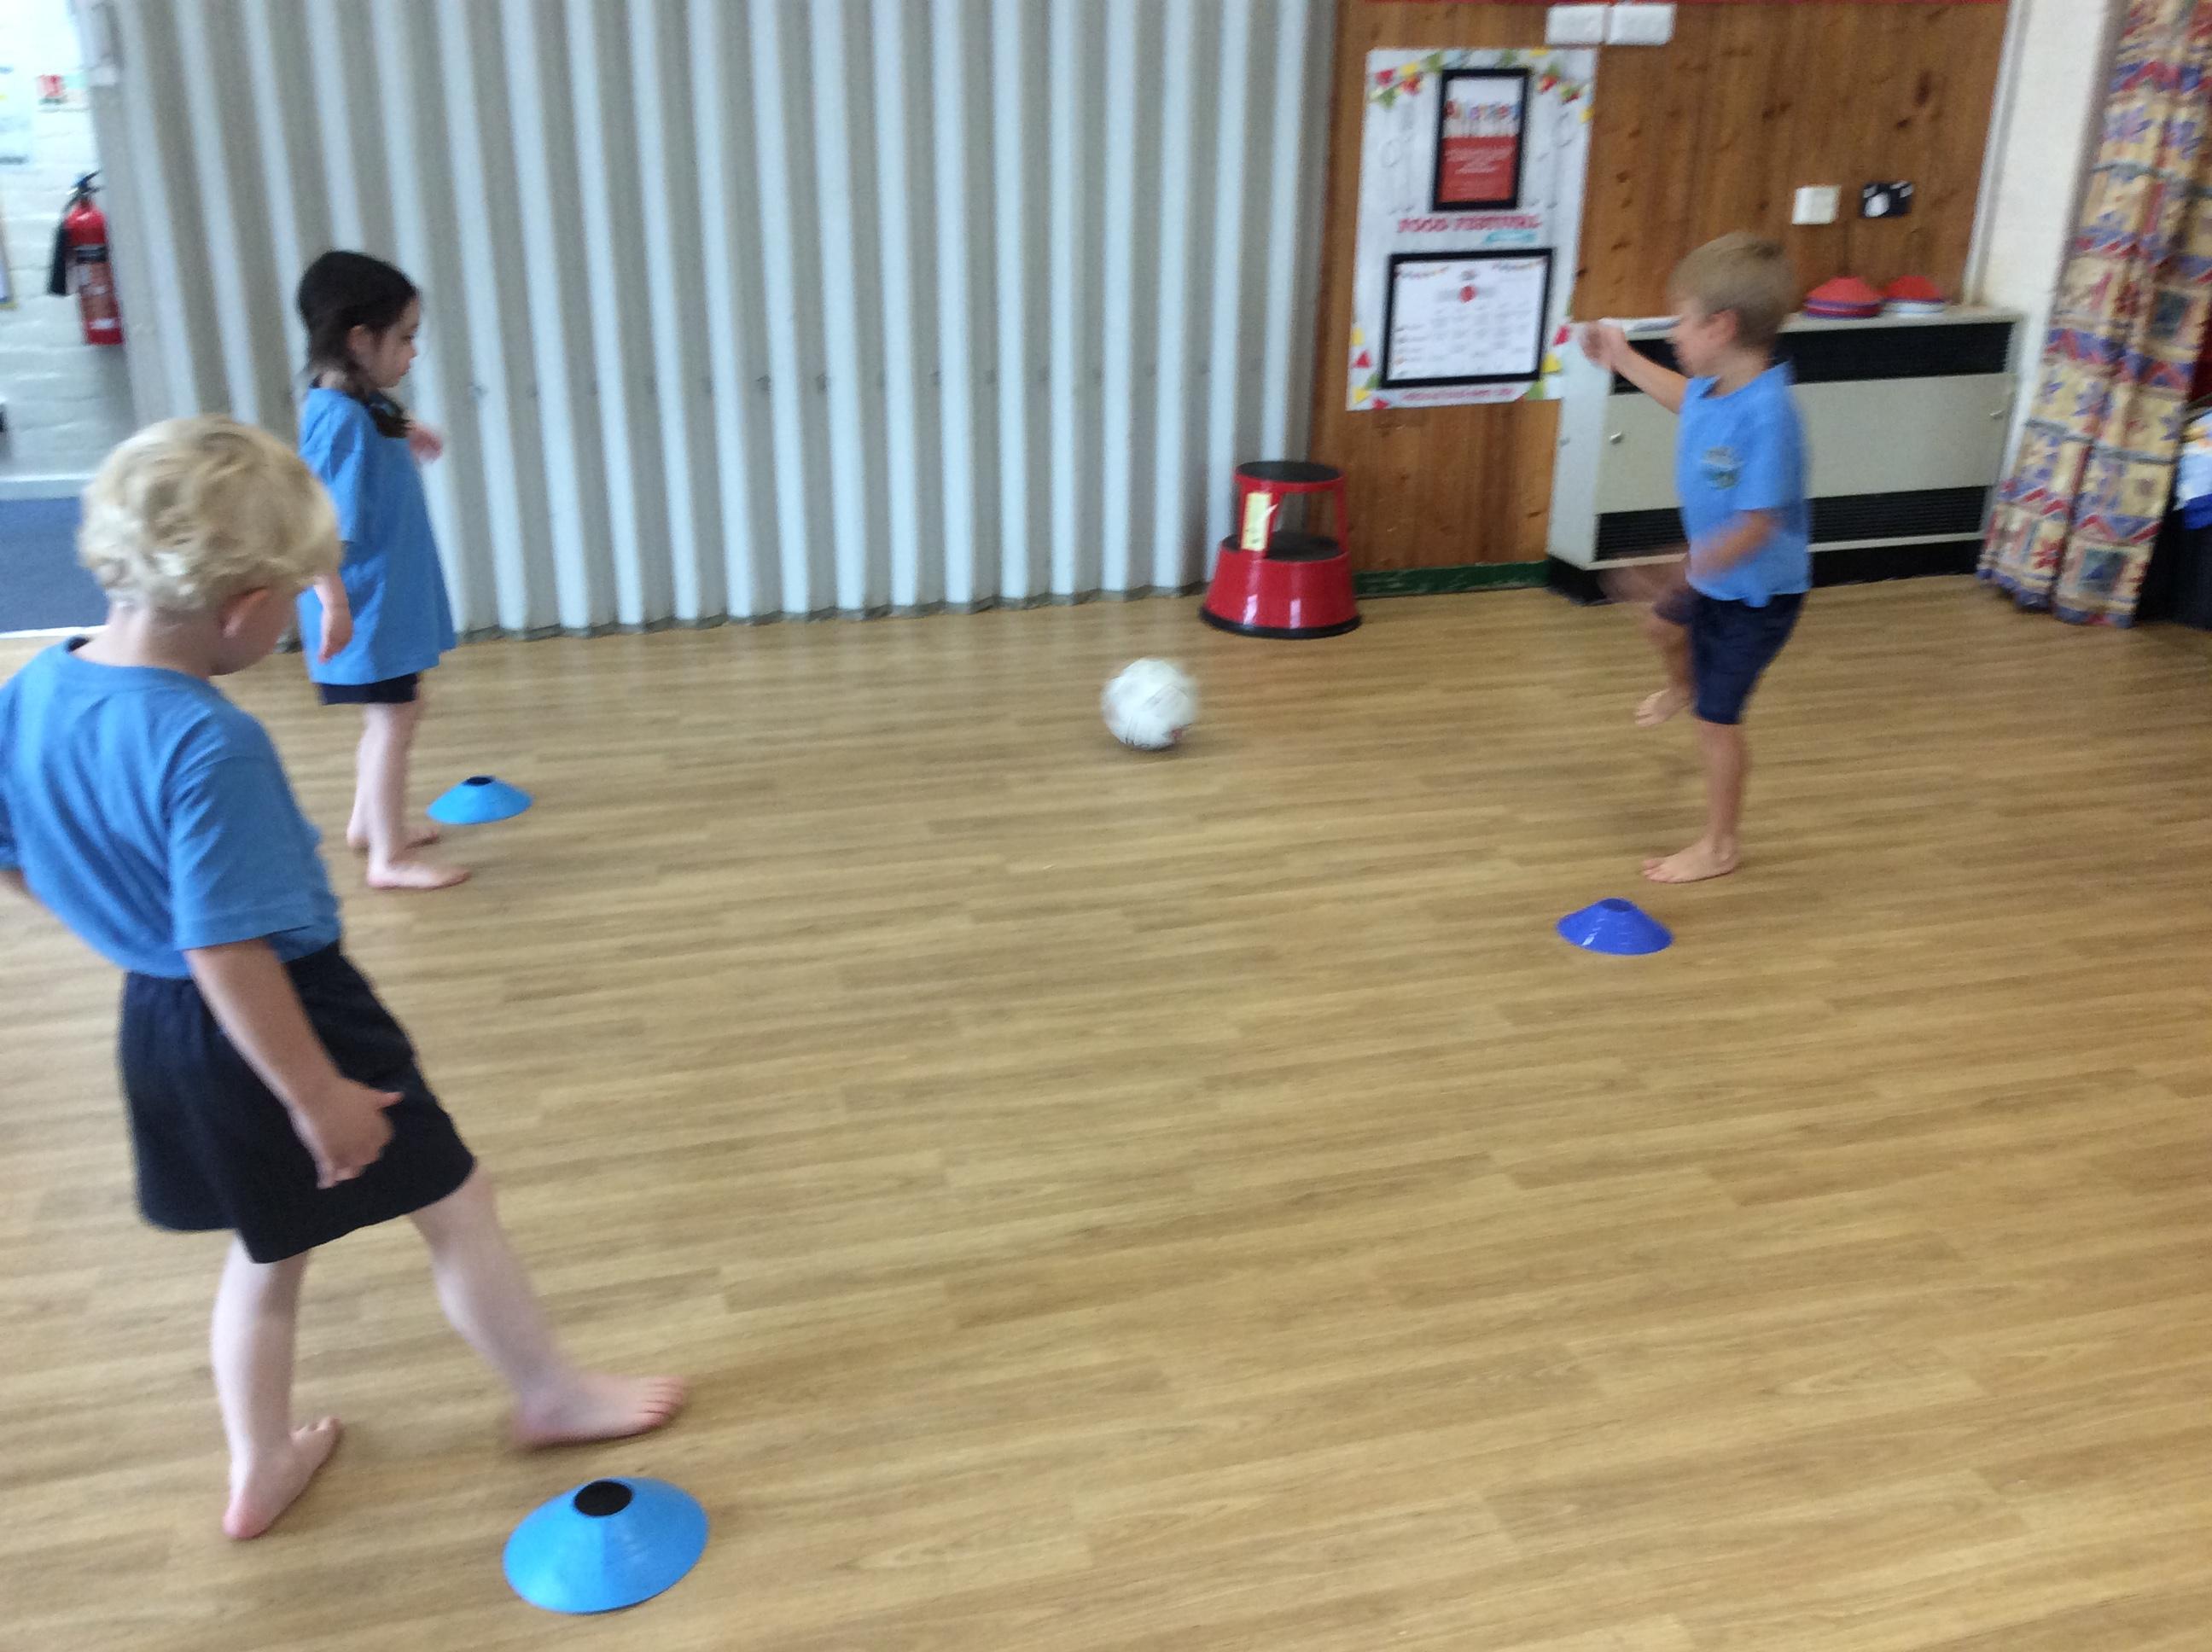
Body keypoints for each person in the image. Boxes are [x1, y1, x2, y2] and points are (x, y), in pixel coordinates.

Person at [0, 419, 684, 1540]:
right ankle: (549, 1394)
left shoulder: (34, 690)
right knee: (456, 1201)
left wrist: (126, 934)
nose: (292, 622)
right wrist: (316, 1092)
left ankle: (260, 1462)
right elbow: (229, 950)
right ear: (240, 608)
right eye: (292, 599)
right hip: (287, 1017)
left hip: (159, 1019)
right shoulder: (207, 744)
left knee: (269, 1245)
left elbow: (17, 856)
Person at [1580, 232, 1811, 885]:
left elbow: (1759, 524)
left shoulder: (1768, 414)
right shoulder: (1717, 388)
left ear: (1721, 326)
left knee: (1718, 720)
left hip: (1756, 597)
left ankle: (1720, 846)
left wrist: (1677, 569)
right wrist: (1621, 358)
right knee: (1661, 628)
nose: (1673, 332)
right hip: (1713, 572)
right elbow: (1683, 399)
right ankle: (1682, 685)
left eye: (1681, 319)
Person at [294, 249, 467, 891]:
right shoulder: (340, 421)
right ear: (359, 340)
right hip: (362, 606)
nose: (414, 352)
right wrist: (335, 607)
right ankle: (388, 858)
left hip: (378, 601)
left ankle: (370, 825)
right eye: (406, 337)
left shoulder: (357, 400)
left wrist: (412, 427)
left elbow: (382, 414)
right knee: (396, 716)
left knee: (396, 711)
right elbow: (317, 526)